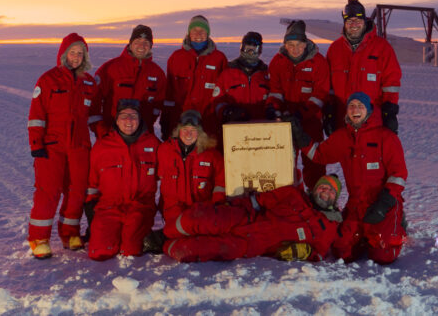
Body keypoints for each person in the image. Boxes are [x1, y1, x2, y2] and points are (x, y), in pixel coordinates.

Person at [299, 91, 407, 264]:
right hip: (356, 204)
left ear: (369, 111)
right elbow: (319, 155)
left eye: (360, 106)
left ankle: (397, 225)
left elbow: (399, 174)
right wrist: (301, 137)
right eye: (351, 106)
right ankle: (366, 235)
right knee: (342, 251)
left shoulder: (386, 137)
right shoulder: (342, 137)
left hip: (384, 202)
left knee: (383, 254)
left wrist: (384, 202)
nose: (355, 109)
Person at [27, 33, 100, 259]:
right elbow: (37, 115)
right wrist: (37, 143)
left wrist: (105, 138)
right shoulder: (48, 79)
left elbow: (94, 115)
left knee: (77, 192)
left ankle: (70, 234)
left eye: (81, 53)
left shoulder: (88, 82)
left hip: (79, 147)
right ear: (63, 54)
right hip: (52, 146)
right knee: (48, 193)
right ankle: (39, 239)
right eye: (73, 52)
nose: (76, 57)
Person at [162, 175, 343, 262]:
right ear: (315, 188)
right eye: (323, 187)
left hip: (251, 245)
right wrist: (232, 206)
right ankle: (163, 235)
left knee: (190, 251)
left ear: (335, 198)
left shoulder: (329, 227)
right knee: (196, 218)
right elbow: (258, 201)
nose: (325, 192)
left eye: (331, 191)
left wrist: (306, 252)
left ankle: (163, 246)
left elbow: (320, 253)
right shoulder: (293, 194)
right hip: (245, 218)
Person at [84, 99, 160, 260]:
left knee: (130, 250)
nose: (129, 121)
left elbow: (169, 173)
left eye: (133, 116)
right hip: (109, 206)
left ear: (140, 119)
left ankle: (143, 237)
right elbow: (92, 181)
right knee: (100, 252)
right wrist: (91, 208)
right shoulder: (102, 146)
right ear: (116, 119)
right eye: (124, 116)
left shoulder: (153, 144)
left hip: (140, 206)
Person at [265, 20, 330, 189]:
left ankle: (317, 200)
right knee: (284, 164)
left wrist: (302, 114)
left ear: (305, 43)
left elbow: (320, 95)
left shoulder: (318, 62)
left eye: (299, 44)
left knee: (314, 163)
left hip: (311, 122)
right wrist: (273, 107)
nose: (295, 49)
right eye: (290, 44)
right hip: (285, 122)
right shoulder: (277, 62)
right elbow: (275, 91)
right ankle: (288, 201)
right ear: (285, 45)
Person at [324, 0, 401, 135]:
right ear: (344, 23)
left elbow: (391, 82)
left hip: (372, 122)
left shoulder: (382, 47)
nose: (354, 24)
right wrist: (328, 111)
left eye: (358, 20)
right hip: (341, 122)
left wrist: (390, 111)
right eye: (349, 21)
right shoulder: (334, 49)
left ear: (365, 21)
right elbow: (327, 86)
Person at [157, 109, 226, 238]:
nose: (188, 134)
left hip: (202, 211)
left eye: (193, 130)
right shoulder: (164, 150)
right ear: (178, 131)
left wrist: (216, 208)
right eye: (185, 129)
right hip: (173, 212)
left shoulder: (212, 155)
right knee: (178, 241)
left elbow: (221, 183)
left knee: (201, 243)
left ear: (200, 133)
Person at [93, 25, 166, 139]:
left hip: (142, 137)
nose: (142, 46)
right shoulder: (110, 68)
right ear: (130, 43)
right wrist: (101, 130)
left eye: (146, 42)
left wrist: (148, 125)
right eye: (137, 41)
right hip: (112, 135)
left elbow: (158, 105)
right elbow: (93, 101)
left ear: (151, 46)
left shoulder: (158, 73)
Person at [161, 15, 228, 138]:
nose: (198, 34)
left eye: (202, 30)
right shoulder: (176, 57)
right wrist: (165, 120)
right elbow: (169, 92)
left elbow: (224, 94)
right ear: (189, 33)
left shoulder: (219, 59)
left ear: (208, 33)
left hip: (208, 124)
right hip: (180, 123)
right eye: (194, 30)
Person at [212, 31, 270, 124]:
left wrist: (272, 110)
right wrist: (227, 112)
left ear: (260, 51)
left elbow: (275, 97)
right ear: (242, 48)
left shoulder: (267, 74)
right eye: (248, 48)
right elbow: (217, 101)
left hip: (262, 129)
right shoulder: (227, 73)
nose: (251, 53)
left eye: (254, 49)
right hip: (234, 127)